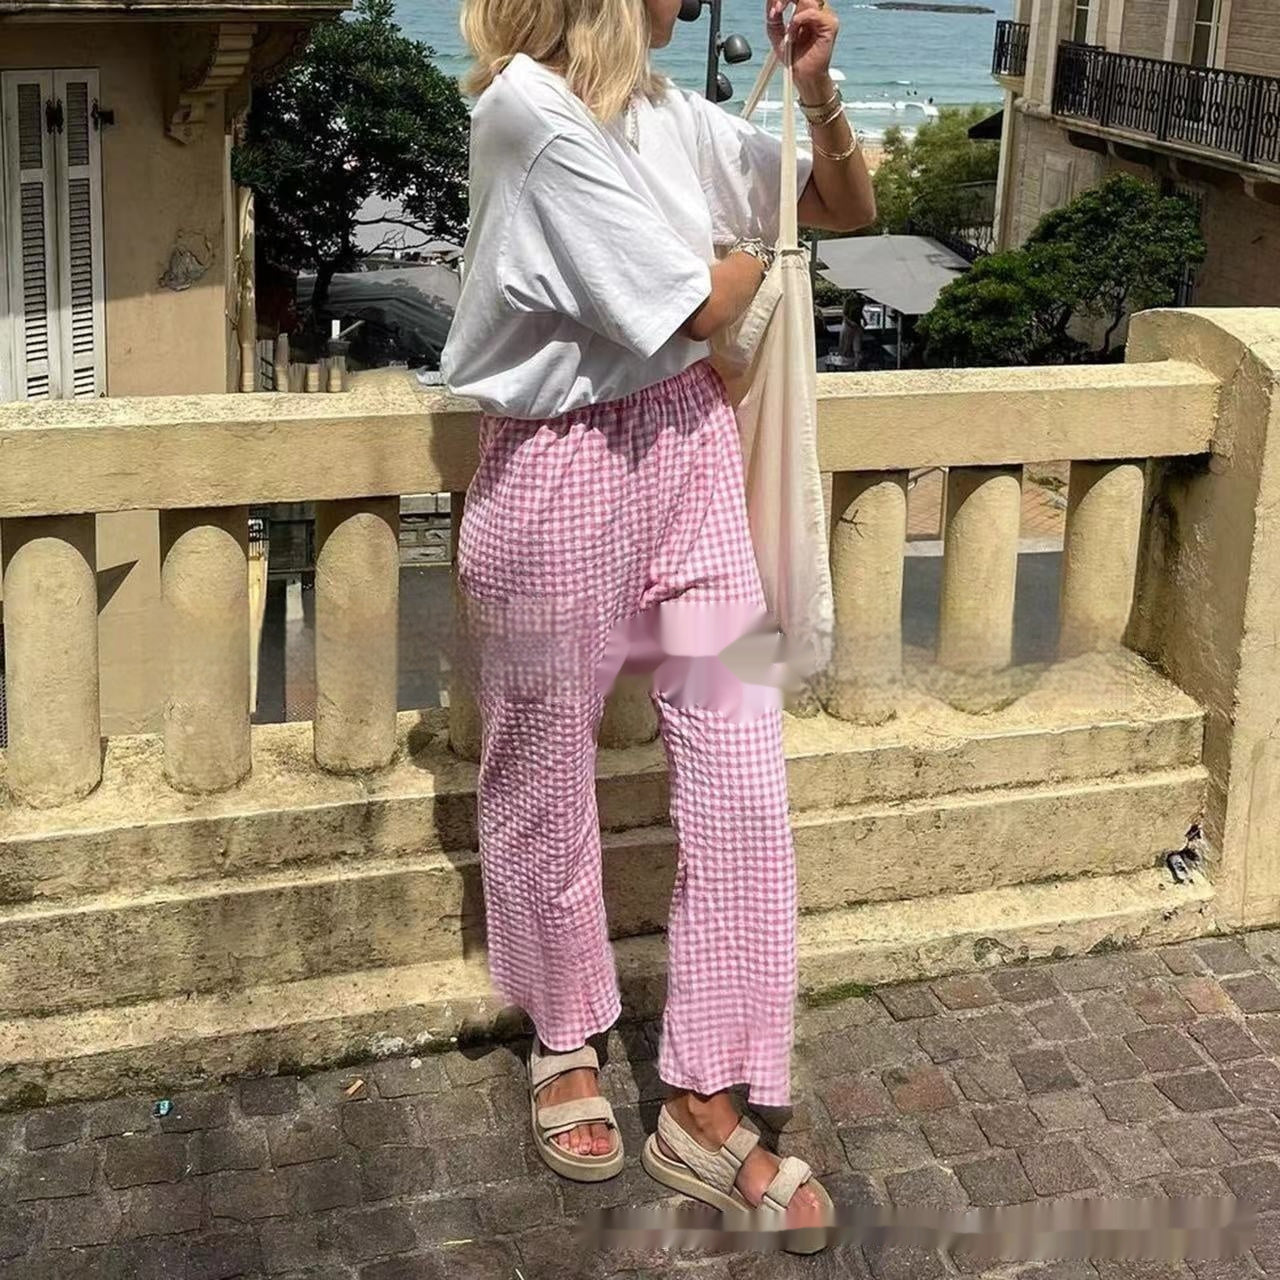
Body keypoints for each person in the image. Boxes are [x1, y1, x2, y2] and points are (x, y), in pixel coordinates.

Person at [441, 0, 875, 1250]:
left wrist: (819, 89)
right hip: (554, 470)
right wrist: (739, 261)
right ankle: (564, 1026)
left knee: (740, 768)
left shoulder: (671, 115)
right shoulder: (526, 111)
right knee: (539, 764)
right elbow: (702, 300)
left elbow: (837, 212)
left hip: (686, 454)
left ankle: (703, 1097)